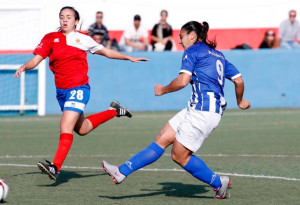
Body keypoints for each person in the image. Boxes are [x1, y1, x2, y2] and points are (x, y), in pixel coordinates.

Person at [102, 21, 251, 199]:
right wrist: (240, 101)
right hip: (198, 108)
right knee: (162, 138)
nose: (179, 41)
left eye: (181, 37)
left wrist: (163, 90)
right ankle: (121, 171)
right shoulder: (219, 55)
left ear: (192, 36)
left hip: (203, 113)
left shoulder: (192, 51)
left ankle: (219, 183)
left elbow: (182, 81)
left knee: (179, 156)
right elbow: (239, 80)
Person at [14, 6, 148, 181]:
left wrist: (128, 57)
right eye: (62, 17)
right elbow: (36, 59)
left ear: (76, 21)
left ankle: (55, 167)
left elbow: (106, 52)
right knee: (82, 129)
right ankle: (114, 110)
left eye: (69, 17)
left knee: (65, 126)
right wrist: (25, 65)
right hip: (61, 92)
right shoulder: (50, 38)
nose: (64, 20)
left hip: (79, 88)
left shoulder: (82, 39)